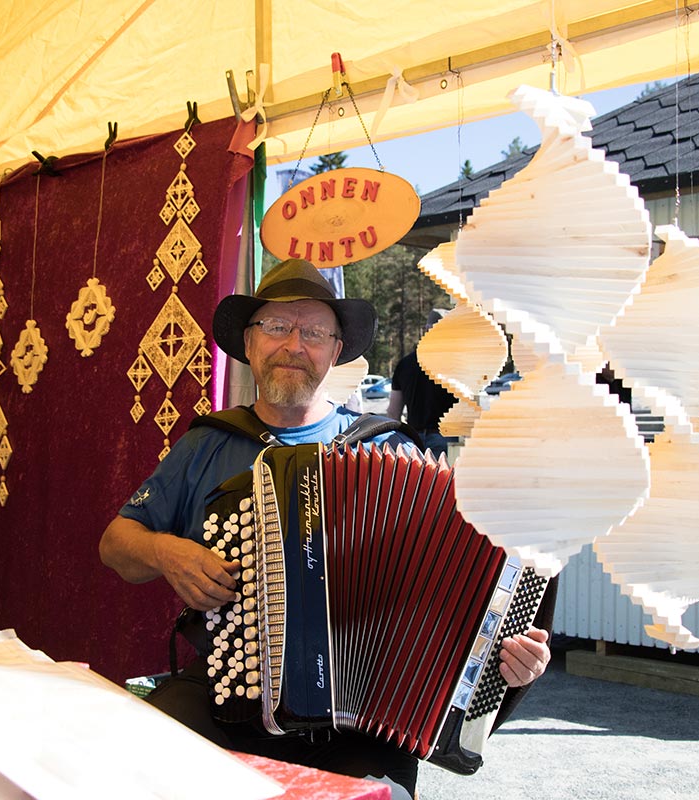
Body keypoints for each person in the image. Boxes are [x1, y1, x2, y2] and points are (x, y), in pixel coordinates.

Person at [99, 258, 551, 799]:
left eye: (314, 332)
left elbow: (462, 590)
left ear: (335, 352)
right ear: (250, 341)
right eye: (277, 326)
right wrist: (167, 551)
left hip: (357, 719)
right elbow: (116, 544)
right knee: (139, 763)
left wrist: (509, 661)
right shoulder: (207, 444)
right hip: (227, 688)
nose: (294, 344)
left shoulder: (387, 450)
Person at [386, 308, 457, 458]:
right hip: (446, 439)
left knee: (417, 482)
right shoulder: (455, 364)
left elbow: (393, 412)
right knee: (443, 482)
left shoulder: (405, 364)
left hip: (413, 440)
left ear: (426, 330)